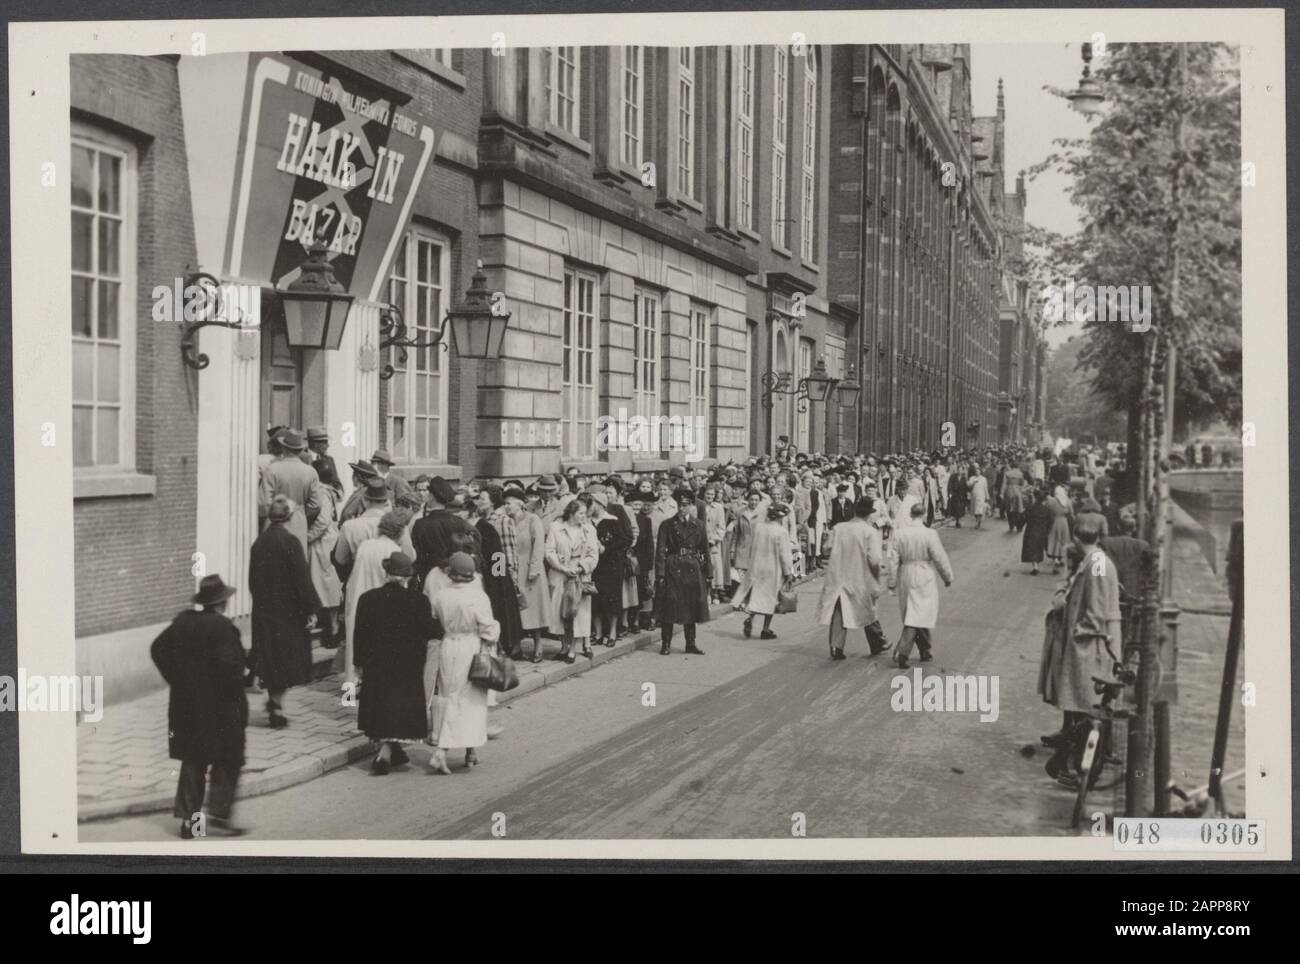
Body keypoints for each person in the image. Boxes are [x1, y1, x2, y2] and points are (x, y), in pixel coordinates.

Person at [150, 574, 248, 839]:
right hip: (220, 709)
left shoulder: (182, 621)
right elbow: (230, 669)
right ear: (222, 602)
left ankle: (189, 822)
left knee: (193, 761)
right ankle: (218, 815)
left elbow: (157, 648)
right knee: (228, 758)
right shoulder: (223, 628)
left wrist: (176, 679)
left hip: (187, 707)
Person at [1038, 521, 1122, 779]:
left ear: (1076, 538)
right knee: (1083, 704)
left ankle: (1074, 764)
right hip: (1091, 642)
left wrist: (1079, 632)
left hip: (1089, 645)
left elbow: (1095, 610)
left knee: (1085, 703)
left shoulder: (1095, 564)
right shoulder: (1095, 560)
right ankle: (1074, 760)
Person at [354, 551, 440, 775]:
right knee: (400, 706)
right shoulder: (418, 601)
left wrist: (358, 663)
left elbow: (359, 634)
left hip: (377, 663)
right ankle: (385, 752)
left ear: (387, 573)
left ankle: (392, 750)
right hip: (407, 664)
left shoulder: (367, 599)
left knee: (381, 704)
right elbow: (430, 630)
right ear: (407, 577)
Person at [248, 495, 321, 728]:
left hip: (264, 610)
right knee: (286, 659)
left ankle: (274, 700)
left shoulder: (259, 543)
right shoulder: (291, 542)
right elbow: (301, 578)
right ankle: (276, 704)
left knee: (270, 658)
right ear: (289, 517)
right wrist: (310, 609)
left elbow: (252, 581)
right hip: (288, 613)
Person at [426, 552, 501, 774]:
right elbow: (488, 628)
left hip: (448, 646)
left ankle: (470, 751)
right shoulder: (478, 597)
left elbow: (435, 616)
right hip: (471, 648)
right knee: (470, 702)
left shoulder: (441, 596)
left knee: (450, 696)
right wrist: (494, 632)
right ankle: (444, 751)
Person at [343, 509, 412, 684]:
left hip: (357, 599)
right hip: (381, 605)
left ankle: (348, 696)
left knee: (352, 650)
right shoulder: (394, 551)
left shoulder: (365, 545)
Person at [818, 496, 888, 660]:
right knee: (867, 608)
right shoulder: (869, 531)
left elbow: (826, 549)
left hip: (838, 574)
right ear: (869, 515)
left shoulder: (839, 527)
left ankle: (836, 647)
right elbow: (875, 559)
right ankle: (877, 642)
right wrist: (877, 576)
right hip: (859, 575)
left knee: (839, 611)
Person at [888, 502, 954, 667]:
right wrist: (947, 577)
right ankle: (902, 652)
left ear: (910, 515)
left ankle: (925, 650)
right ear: (923, 515)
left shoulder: (899, 533)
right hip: (924, 573)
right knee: (918, 613)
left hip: (906, 573)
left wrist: (892, 581)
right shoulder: (930, 534)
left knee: (915, 612)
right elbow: (939, 556)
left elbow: (893, 560)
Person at [655, 487, 712, 655]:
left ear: (691, 506)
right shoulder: (667, 524)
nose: (682, 508)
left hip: (693, 568)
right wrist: (660, 573)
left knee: (691, 606)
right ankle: (666, 644)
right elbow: (660, 550)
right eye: (680, 505)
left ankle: (690, 644)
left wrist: (709, 573)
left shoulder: (699, 525)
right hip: (673, 567)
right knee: (670, 606)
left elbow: (705, 549)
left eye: (686, 505)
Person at [544, 498, 599, 663]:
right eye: (581, 513)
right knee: (559, 613)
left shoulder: (589, 530)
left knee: (577, 613)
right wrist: (562, 567)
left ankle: (573, 649)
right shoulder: (556, 528)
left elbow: (593, 554)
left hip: (579, 576)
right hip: (560, 574)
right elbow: (549, 551)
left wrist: (582, 567)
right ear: (571, 513)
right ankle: (564, 646)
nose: (584, 516)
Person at [475, 485, 525, 660]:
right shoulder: (483, 519)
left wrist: (505, 575)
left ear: (492, 502)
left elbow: (507, 549)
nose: (478, 502)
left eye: (482, 499)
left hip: (499, 573)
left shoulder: (502, 520)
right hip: (490, 572)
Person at [732, 502, 793, 641]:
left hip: (757, 565)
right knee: (770, 598)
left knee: (756, 595)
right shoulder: (781, 531)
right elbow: (785, 554)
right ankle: (765, 629)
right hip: (773, 567)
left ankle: (750, 618)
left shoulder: (759, 527)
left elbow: (752, 545)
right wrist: (788, 572)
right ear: (780, 517)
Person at [504, 483, 548, 662]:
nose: (506, 507)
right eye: (505, 504)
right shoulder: (503, 522)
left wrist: (535, 569)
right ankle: (516, 645)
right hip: (510, 571)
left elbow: (539, 545)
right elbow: (499, 549)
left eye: (510, 503)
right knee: (514, 611)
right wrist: (497, 573)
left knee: (533, 610)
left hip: (529, 570)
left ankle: (538, 644)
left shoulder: (532, 519)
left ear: (520, 503)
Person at [258, 429, 322, 553]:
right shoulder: (310, 472)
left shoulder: (272, 469)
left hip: (274, 522)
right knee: (295, 560)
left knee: (274, 561)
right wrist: (300, 511)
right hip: (299, 522)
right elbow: (316, 504)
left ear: (284, 448)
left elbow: (263, 504)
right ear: (300, 450)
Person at [411, 476, 482, 587]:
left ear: (431, 496)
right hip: (455, 576)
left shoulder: (420, 524)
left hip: (429, 578)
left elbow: (417, 557)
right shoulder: (459, 522)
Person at [587, 490, 630, 648]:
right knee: (595, 599)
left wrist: (606, 547)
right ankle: (598, 633)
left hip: (611, 566)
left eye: (592, 503)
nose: (589, 506)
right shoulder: (588, 522)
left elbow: (625, 540)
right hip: (594, 566)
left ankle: (612, 632)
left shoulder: (613, 521)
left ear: (599, 504)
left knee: (612, 599)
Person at [306, 478, 343, 647]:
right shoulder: (329, 492)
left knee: (324, 583)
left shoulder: (321, 492)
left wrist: (307, 537)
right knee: (327, 584)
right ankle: (331, 627)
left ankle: (332, 628)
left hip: (322, 543)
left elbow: (323, 520)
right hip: (327, 540)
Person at [1021, 489, 1053, 575]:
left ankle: (1035, 566)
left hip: (1031, 531)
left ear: (1035, 498)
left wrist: (1020, 525)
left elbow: (1023, 517)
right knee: (1039, 549)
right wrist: (1047, 530)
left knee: (1032, 549)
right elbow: (1050, 520)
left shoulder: (1030, 507)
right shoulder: (1046, 509)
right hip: (1042, 531)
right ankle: (1036, 565)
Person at [1045, 485, 1074, 574]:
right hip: (1064, 522)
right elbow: (1071, 514)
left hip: (1054, 522)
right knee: (1063, 540)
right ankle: (1061, 557)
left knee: (1054, 540)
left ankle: (1055, 559)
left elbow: (1048, 511)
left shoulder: (1052, 501)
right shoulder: (1068, 501)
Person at [1001, 463, 1028, 533]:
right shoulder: (1020, 473)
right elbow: (1022, 483)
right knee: (1018, 509)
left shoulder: (1007, 473)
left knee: (1009, 508)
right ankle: (1018, 525)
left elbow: (1004, 483)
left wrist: (1001, 492)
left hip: (1009, 491)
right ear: (1017, 467)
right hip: (1017, 491)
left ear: (1011, 466)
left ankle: (1011, 525)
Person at [967, 466, 989, 530]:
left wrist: (987, 497)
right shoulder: (972, 478)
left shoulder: (983, 479)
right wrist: (973, 482)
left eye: (978, 471)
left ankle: (977, 522)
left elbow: (985, 488)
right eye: (976, 471)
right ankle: (977, 520)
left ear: (980, 472)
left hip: (981, 495)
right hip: (974, 495)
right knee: (975, 510)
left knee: (980, 509)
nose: (977, 472)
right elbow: (968, 485)